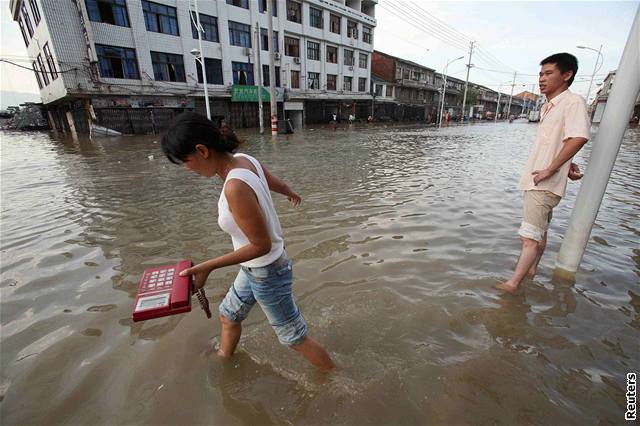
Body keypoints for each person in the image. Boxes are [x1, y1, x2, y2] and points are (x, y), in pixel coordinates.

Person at [161, 112, 335, 371]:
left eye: (186, 161)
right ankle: (223, 361)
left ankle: (337, 378)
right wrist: (288, 191)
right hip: (255, 268)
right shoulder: (243, 160)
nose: (188, 169)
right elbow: (270, 180)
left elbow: (260, 245)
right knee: (228, 315)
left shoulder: (234, 186)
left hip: (267, 272)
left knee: (295, 339)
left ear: (201, 150)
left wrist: (207, 266)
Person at [496, 53, 591, 294]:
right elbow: (562, 141)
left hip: (542, 182)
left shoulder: (572, 102)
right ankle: (531, 271)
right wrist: (566, 163)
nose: (542, 79)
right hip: (539, 179)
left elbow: (579, 136)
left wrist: (551, 168)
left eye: (549, 73)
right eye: (540, 74)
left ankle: (512, 285)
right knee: (539, 233)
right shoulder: (550, 106)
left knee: (529, 237)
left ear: (567, 75)